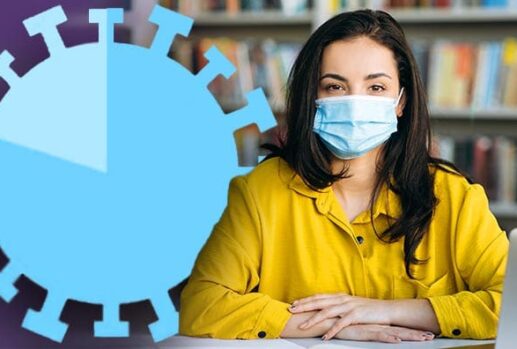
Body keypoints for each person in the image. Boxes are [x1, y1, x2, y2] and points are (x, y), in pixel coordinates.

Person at [178, 9, 509, 343]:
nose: (355, 103)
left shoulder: (455, 197)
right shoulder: (258, 193)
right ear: (313, 97)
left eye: (376, 86)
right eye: (335, 86)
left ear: (401, 102)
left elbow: (509, 302)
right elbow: (202, 306)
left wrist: (388, 311)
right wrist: (336, 324)